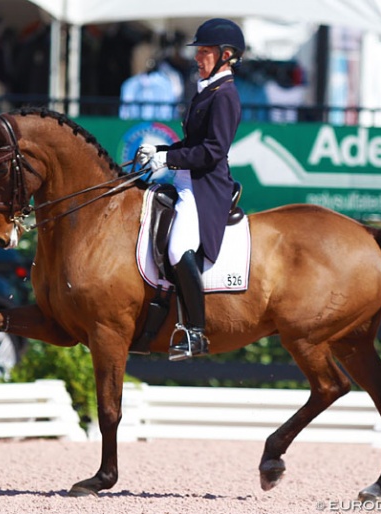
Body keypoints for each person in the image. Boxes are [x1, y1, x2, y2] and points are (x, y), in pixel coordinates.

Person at [135, 18, 245, 361]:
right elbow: (193, 142)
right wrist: (163, 152)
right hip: (185, 182)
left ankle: (195, 333)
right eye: (198, 51)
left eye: (205, 51)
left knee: (178, 246)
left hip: (204, 189)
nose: (198, 57)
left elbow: (212, 151)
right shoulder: (207, 89)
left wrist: (169, 160)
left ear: (226, 55)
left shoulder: (225, 95)